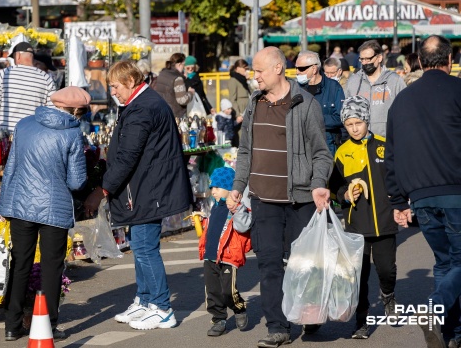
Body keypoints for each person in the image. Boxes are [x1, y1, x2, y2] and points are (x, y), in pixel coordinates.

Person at [229, 46, 332, 348]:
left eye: (259, 70)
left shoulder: (305, 103)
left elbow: (322, 153)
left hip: (299, 199)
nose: (254, 76)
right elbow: (245, 150)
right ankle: (278, 328)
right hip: (263, 199)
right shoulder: (254, 103)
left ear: (277, 69)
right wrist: (237, 187)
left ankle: (310, 314)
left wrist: (318, 183)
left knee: (303, 264)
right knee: (269, 264)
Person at [104, 60, 192, 330]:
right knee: (140, 247)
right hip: (146, 186)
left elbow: (128, 155)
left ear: (130, 81)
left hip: (149, 188)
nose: (113, 92)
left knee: (145, 248)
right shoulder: (142, 103)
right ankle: (145, 301)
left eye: (115, 86)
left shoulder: (144, 106)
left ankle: (162, 307)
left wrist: (105, 187)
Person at [385, 35, 461, 348]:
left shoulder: (401, 101)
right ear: (450, 60)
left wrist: (399, 199)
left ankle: (452, 334)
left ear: (418, 62)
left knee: (446, 264)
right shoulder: (458, 90)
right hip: (456, 191)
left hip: (421, 196)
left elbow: (391, 154)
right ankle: (434, 309)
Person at [0, 86, 89, 341]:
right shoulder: (72, 133)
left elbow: (11, 166)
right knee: (52, 267)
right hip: (55, 207)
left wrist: (5, 205)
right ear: (75, 110)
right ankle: (48, 324)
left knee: (20, 263)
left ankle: (11, 324)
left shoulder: (24, 124)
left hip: (21, 205)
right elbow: (76, 181)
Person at [329, 96, 398, 340]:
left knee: (387, 270)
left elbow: (396, 179)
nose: (354, 128)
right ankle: (361, 322)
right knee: (359, 277)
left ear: (367, 120)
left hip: (385, 222)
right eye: (349, 124)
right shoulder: (342, 152)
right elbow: (333, 188)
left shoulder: (383, 145)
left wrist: (401, 205)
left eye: (358, 122)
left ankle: (388, 295)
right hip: (357, 225)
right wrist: (344, 195)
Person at [198, 167, 251, 337]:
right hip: (210, 255)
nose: (213, 191)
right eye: (212, 187)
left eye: (217, 187)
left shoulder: (235, 208)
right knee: (212, 291)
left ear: (230, 188)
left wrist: (237, 209)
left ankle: (239, 308)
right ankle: (218, 319)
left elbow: (243, 227)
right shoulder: (215, 208)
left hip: (228, 257)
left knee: (229, 291)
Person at [0, 41, 57, 132]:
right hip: (33, 134)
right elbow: (52, 111)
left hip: (7, 133)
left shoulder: (5, 74)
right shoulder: (46, 78)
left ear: (18, 56)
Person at [344, 40, 406, 137]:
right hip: (360, 143)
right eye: (362, 59)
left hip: (387, 141)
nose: (365, 63)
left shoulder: (395, 80)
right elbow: (345, 112)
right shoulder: (353, 81)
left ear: (379, 58)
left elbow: (404, 111)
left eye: (368, 59)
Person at [295, 50, 345, 155]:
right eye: (296, 68)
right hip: (301, 148)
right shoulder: (295, 89)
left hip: (327, 147)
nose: (297, 72)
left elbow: (341, 117)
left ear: (314, 69)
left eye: (301, 68)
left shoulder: (333, 87)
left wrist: (313, 120)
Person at [155, 53, 194, 118]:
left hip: (161, 112)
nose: (184, 68)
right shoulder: (177, 78)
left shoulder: (162, 73)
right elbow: (182, 100)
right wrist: (190, 93)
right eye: (183, 65)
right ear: (179, 64)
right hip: (175, 115)